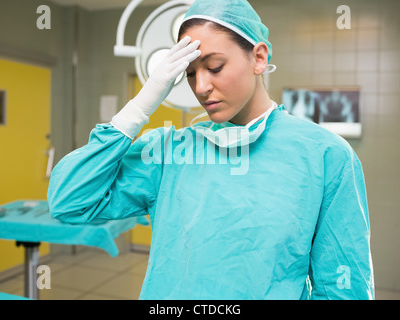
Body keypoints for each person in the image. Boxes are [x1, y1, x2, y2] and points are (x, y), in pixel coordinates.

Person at [48, 0, 374, 300]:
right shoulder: (168, 152)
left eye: (214, 66)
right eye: (190, 73)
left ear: (259, 57)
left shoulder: (324, 156)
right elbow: (69, 200)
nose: (201, 86)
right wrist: (139, 107)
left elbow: (342, 285)